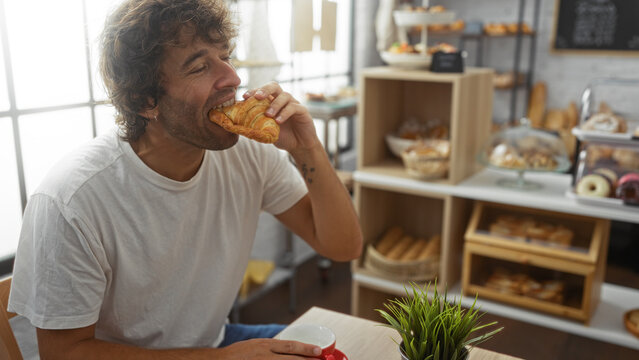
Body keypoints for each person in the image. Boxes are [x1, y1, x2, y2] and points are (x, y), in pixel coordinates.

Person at [7, 0, 363, 358]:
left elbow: (342, 246)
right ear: (144, 100)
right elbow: (62, 353)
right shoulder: (73, 200)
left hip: (212, 342)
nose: (233, 78)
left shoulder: (248, 153)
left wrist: (307, 148)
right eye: (199, 67)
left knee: (346, 349)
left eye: (227, 56)